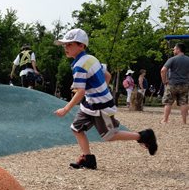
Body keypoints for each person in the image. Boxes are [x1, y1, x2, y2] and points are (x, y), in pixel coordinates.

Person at [53, 28, 157, 169]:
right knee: (76, 128)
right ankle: (88, 158)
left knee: (109, 135)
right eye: (65, 44)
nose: (66, 47)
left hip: (100, 105)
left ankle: (143, 136)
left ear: (81, 46)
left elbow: (80, 92)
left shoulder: (79, 66)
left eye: (70, 44)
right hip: (90, 103)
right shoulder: (92, 59)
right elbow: (107, 75)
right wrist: (100, 89)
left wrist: (65, 109)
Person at [160, 42, 189, 124]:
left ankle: (165, 120)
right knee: (184, 102)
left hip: (172, 84)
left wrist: (164, 81)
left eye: (174, 49)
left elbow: (163, 70)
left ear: (178, 49)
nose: (173, 50)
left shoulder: (172, 59)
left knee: (168, 102)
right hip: (184, 84)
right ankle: (184, 121)